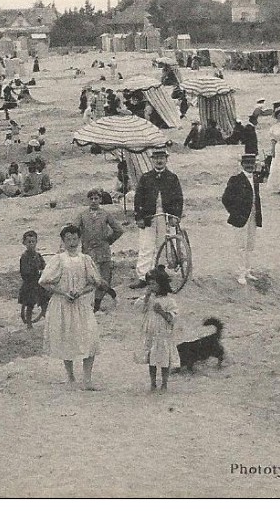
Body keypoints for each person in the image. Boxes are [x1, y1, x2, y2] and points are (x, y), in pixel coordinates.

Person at [38, 224, 108, 391]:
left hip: (82, 304)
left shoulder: (86, 259)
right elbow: (44, 282)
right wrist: (63, 292)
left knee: (89, 338)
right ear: (63, 241)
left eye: (75, 238)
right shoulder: (58, 259)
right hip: (63, 304)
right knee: (67, 338)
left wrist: (80, 291)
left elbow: (95, 283)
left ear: (79, 239)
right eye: (68, 239)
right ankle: (70, 376)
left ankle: (87, 379)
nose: (72, 242)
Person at [130, 147, 183, 288]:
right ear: (152, 160)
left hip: (166, 216)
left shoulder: (172, 178)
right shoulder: (146, 178)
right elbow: (138, 199)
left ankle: (160, 274)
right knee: (146, 246)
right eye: (156, 158)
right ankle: (142, 276)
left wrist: (175, 216)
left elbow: (178, 199)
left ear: (166, 160)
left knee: (164, 245)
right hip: (148, 217)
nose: (159, 161)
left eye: (162, 158)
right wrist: (139, 217)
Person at [74, 188, 124, 312]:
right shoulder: (82, 215)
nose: (94, 201)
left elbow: (119, 230)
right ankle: (112, 294)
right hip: (88, 251)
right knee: (93, 279)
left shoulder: (106, 214)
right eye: (91, 199)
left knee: (105, 277)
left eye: (96, 198)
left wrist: (109, 240)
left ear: (100, 200)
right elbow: (73, 230)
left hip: (103, 251)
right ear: (88, 200)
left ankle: (97, 306)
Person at [222, 153, 262, 285]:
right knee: (240, 246)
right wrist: (235, 212)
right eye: (247, 163)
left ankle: (247, 271)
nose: (250, 165)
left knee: (250, 245)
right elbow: (226, 198)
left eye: (252, 163)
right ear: (242, 164)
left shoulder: (255, 178)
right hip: (240, 217)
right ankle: (240, 273)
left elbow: (256, 198)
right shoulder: (235, 179)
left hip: (253, 216)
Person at [138, 265, 180, 392]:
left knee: (164, 359)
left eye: (153, 284)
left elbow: (172, 318)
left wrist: (161, 312)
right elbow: (140, 308)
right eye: (149, 284)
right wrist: (146, 297)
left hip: (163, 334)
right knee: (152, 359)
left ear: (161, 284)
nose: (151, 287)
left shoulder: (169, 301)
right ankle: (153, 382)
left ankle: (165, 383)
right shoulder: (149, 299)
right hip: (151, 333)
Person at [18, 230, 50, 329]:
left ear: (36, 242)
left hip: (39, 283)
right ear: (24, 243)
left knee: (44, 301)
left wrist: (43, 270)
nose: (31, 244)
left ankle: (48, 319)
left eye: (33, 242)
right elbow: (24, 271)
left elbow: (44, 266)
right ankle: (29, 323)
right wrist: (34, 272)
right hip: (29, 284)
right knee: (30, 304)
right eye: (29, 242)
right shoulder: (24, 257)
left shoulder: (38, 255)